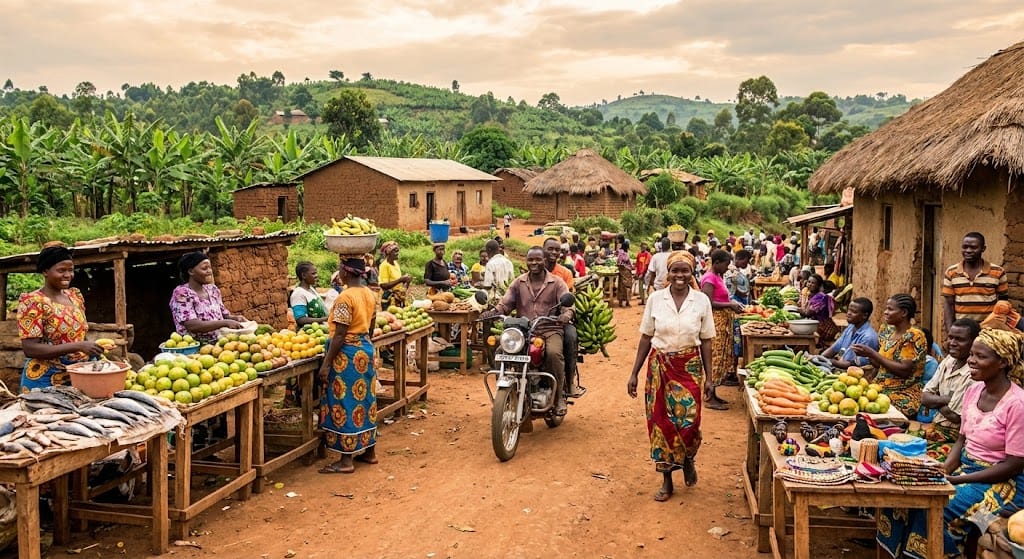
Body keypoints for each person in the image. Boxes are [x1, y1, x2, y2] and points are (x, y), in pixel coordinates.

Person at [878, 328, 1024, 559]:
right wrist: (943, 470)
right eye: (972, 355)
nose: (972, 361)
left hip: (1003, 481)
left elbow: (1014, 464)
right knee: (905, 497)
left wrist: (957, 479)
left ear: (1003, 363)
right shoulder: (974, 390)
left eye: (980, 357)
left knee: (938, 506)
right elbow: (961, 440)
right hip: (966, 469)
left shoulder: (1017, 404)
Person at [627, 250, 715, 502]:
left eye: (684, 270)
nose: (679, 275)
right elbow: (646, 336)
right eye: (675, 271)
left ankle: (687, 458)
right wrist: (634, 372)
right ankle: (667, 480)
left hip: (689, 367)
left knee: (689, 421)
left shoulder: (701, 301)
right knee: (660, 424)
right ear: (668, 273)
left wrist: (709, 378)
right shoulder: (656, 299)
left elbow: (707, 341)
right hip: (660, 367)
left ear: (691, 273)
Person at [481, 247, 573, 414]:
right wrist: (494, 312)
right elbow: (505, 304)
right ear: (526, 261)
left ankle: (558, 397)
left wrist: (566, 314)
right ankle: (504, 392)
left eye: (538, 259)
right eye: (530, 259)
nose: (534, 263)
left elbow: (568, 305)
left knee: (553, 354)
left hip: (549, 329)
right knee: (501, 350)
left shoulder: (557, 282)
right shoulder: (518, 282)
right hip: (523, 331)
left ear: (545, 260)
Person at [317, 257, 379, 474]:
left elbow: (340, 333)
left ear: (345, 272)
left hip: (347, 356)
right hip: (365, 350)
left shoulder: (345, 298)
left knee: (345, 401)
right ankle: (369, 452)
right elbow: (371, 326)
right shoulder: (370, 294)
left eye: (339, 270)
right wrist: (365, 345)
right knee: (366, 399)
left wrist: (326, 365)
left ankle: (345, 461)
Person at [17, 245, 104, 392]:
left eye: (70, 270)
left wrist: (91, 350)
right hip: (44, 378)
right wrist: (78, 346)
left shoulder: (74, 296)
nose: (68, 275)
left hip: (78, 373)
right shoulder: (33, 301)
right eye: (61, 270)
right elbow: (30, 348)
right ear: (45, 271)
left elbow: (80, 334)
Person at [852, 294, 928, 417]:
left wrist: (872, 353)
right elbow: (879, 364)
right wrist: (866, 355)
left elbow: (904, 371)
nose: (886, 312)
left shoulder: (914, 336)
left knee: (867, 409)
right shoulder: (886, 331)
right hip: (878, 388)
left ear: (904, 312)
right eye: (886, 308)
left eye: (890, 309)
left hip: (903, 393)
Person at [918, 318, 981, 461]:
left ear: (974, 342)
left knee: (919, 460)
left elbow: (955, 417)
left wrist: (934, 399)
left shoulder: (973, 373)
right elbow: (923, 397)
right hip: (936, 427)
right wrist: (946, 399)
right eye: (951, 337)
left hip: (955, 438)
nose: (952, 343)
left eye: (960, 339)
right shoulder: (948, 361)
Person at [170, 252, 246, 345]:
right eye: (204, 268)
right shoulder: (182, 294)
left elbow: (223, 315)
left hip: (221, 344)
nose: (209, 271)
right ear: (191, 271)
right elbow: (192, 325)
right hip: (195, 348)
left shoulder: (213, 290)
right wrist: (225, 322)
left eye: (209, 267)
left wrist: (235, 318)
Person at [700, 250, 744, 409]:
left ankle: (714, 393)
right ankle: (709, 397)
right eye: (726, 264)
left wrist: (731, 303)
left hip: (722, 321)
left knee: (720, 357)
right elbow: (708, 302)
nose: (727, 268)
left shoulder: (718, 276)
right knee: (715, 357)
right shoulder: (709, 279)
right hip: (714, 322)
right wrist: (730, 305)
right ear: (717, 262)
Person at [942, 232, 1008, 334]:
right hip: (962, 330)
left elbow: (1003, 303)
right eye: (965, 247)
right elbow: (949, 304)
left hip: (988, 330)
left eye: (973, 247)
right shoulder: (951, 272)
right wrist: (950, 331)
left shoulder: (997, 272)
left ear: (983, 249)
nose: (968, 251)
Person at [821, 297, 879, 370]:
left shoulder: (868, 337)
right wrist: (820, 358)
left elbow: (855, 363)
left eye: (854, 312)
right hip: (840, 366)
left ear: (864, 315)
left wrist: (830, 361)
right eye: (849, 310)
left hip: (854, 373)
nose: (848, 313)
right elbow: (836, 348)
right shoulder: (851, 327)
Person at [800, 274, 839, 347]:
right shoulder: (811, 295)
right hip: (817, 324)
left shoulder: (820, 297)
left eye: (813, 283)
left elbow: (808, 313)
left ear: (819, 285)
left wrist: (795, 310)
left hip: (824, 328)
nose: (809, 284)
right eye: (809, 282)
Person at [290, 262, 327, 326]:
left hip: (320, 330)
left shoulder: (311, 289)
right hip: (307, 333)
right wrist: (324, 319)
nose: (316, 275)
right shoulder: (298, 294)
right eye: (313, 273)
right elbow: (300, 319)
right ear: (303, 275)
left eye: (316, 273)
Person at [378, 241, 412, 308]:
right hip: (389, 298)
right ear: (388, 253)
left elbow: (398, 284)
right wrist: (400, 279)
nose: (397, 253)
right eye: (395, 251)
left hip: (398, 296)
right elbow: (383, 285)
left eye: (398, 251)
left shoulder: (396, 263)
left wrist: (407, 281)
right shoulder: (384, 266)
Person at [616, 239, 633, 307]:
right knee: (627, 286)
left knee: (621, 285)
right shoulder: (624, 253)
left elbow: (618, 262)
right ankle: (627, 301)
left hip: (621, 271)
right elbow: (625, 260)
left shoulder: (620, 252)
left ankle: (620, 301)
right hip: (626, 271)